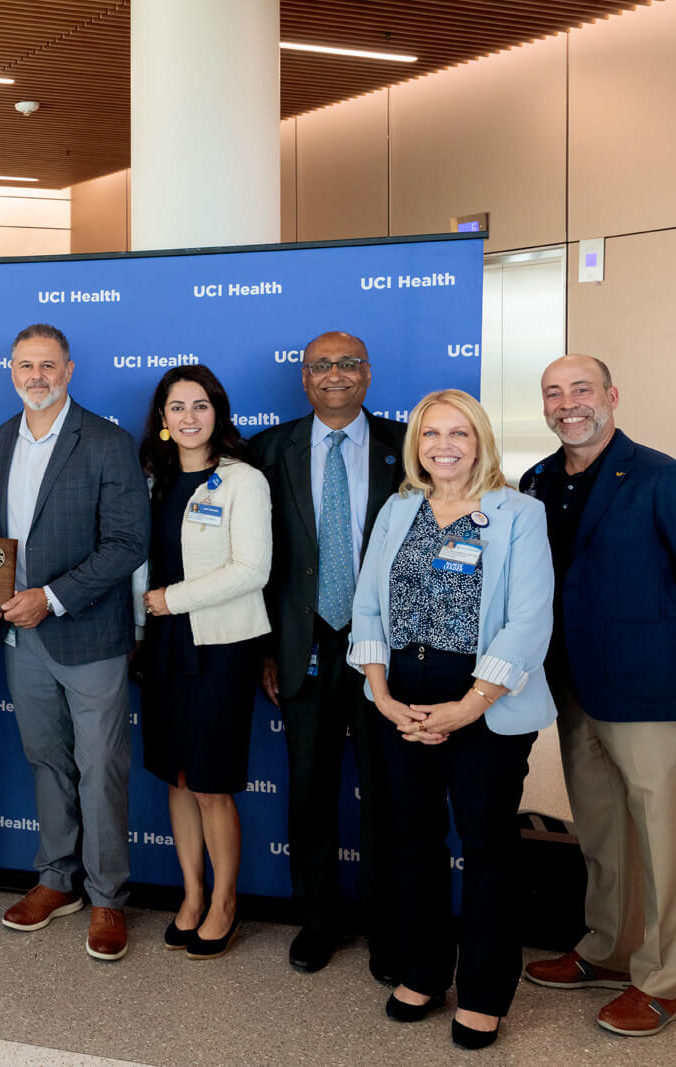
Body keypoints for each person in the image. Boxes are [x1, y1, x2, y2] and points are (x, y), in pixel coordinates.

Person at [520, 355, 676, 1038]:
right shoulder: (538, 481)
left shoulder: (667, 479)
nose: (569, 404)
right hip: (573, 685)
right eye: (554, 393)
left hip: (652, 691)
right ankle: (607, 948)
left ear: (611, 395)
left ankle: (662, 981)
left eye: (581, 389)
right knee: (602, 827)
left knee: (664, 837)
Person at [347, 388, 554, 1051]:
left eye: (458, 433)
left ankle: (485, 991)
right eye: (431, 433)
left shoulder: (519, 512)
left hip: (485, 700)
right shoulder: (399, 508)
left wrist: (468, 705)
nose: (443, 445)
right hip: (401, 691)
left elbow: (528, 620)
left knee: (488, 846)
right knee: (412, 839)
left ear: (481, 440)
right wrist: (379, 691)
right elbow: (368, 603)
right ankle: (424, 969)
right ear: (417, 445)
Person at [0, 322, 148, 961]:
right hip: (22, 641)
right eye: (26, 365)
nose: (37, 376)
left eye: (49, 365)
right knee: (46, 758)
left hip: (89, 636)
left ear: (69, 371)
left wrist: (47, 597)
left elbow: (129, 544)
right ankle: (57, 879)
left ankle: (108, 898)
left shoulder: (106, 441)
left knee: (100, 767)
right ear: (10, 371)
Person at [249, 330, 404, 978]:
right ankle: (317, 918)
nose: (334, 374)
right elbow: (260, 561)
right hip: (302, 644)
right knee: (308, 790)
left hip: (388, 651)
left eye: (347, 364)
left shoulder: (409, 445)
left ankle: (389, 927)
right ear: (304, 377)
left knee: (388, 792)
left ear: (367, 374)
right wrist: (266, 650)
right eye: (321, 366)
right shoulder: (269, 449)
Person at [132, 366, 272, 960]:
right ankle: (190, 895)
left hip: (221, 647)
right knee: (178, 778)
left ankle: (224, 901)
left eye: (200, 406)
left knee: (212, 784)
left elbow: (252, 570)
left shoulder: (244, 480)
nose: (188, 417)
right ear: (161, 420)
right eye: (176, 407)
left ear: (218, 412)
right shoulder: (150, 480)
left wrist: (171, 600)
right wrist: (147, 618)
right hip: (161, 647)